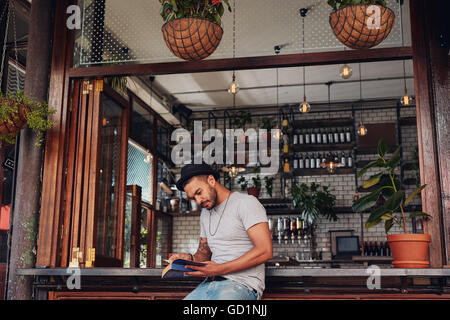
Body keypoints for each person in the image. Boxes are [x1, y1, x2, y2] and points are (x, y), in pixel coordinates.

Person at [169, 163, 272, 300]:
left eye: (199, 193)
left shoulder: (246, 203)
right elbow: (204, 252)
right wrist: (189, 259)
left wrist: (219, 269)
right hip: (209, 284)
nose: (198, 201)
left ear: (211, 180)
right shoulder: (205, 213)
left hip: (241, 284)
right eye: (193, 198)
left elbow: (265, 251)